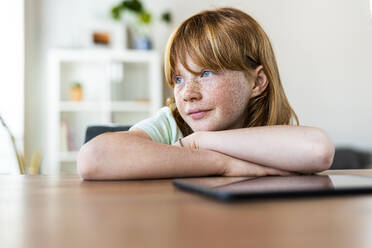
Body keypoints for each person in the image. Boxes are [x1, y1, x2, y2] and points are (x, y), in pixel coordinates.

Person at [77, 7, 334, 180]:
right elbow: (93, 157)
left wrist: (199, 143)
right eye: (179, 78)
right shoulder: (171, 123)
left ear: (257, 83)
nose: (188, 93)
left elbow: (318, 149)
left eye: (206, 73)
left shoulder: (266, 129)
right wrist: (226, 164)